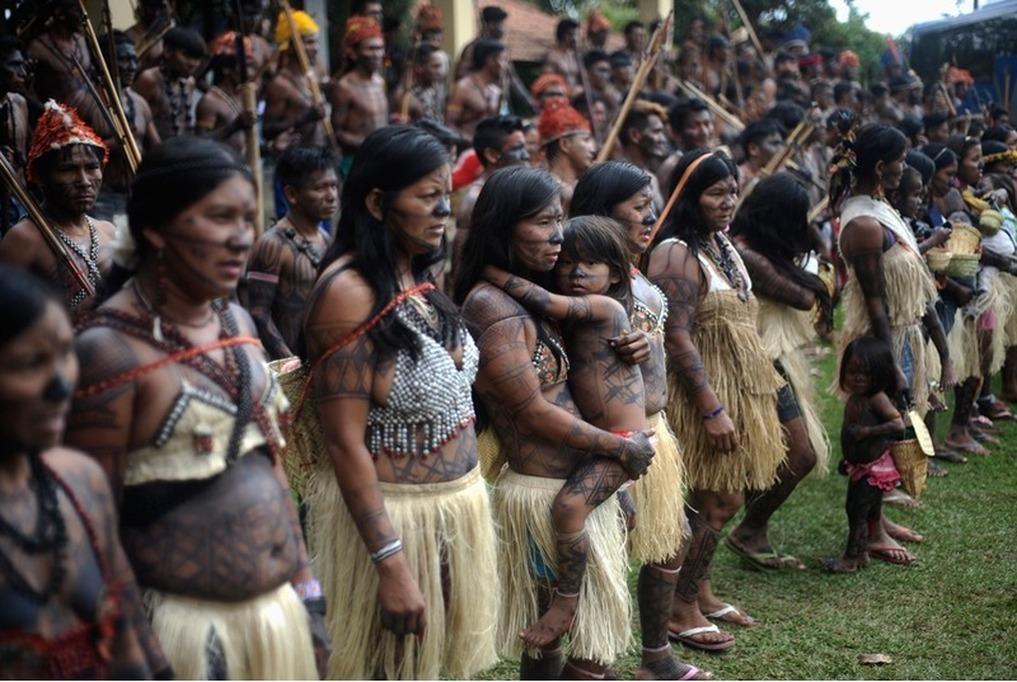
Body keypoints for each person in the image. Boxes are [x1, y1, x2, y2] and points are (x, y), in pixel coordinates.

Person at [64, 137, 327, 679]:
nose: (240, 239)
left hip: (276, 621)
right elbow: (92, 527)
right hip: (177, 637)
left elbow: (272, 469)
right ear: (157, 229)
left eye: (247, 219)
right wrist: (141, 656)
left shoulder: (237, 324)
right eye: (218, 218)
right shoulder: (108, 351)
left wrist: (310, 599)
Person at [298, 125, 499, 680]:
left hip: (455, 511)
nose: (443, 211)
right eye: (428, 196)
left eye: (446, 196)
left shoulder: (414, 269)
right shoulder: (348, 293)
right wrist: (391, 564)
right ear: (377, 202)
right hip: (396, 522)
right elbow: (342, 441)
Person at [454, 166, 655, 680]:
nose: (558, 236)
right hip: (548, 495)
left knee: (591, 651)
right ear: (504, 227)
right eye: (544, 223)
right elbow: (532, 411)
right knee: (563, 646)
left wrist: (637, 341)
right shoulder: (491, 306)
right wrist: (617, 448)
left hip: (585, 475)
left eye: (558, 220)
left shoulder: (546, 297)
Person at [570, 161, 711, 680]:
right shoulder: (582, 283)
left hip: (655, 431)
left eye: (650, 204)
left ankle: (656, 657)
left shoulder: (640, 279)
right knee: (602, 563)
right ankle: (590, 664)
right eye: (637, 208)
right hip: (609, 437)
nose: (650, 216)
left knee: (668, 539)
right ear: (605, 214)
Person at [647, 149, 786, 653]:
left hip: (735, 383)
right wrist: (710, 407)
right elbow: (677, 335)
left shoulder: (718, 242)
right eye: (715, 193)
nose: (728, 202)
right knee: (718, 499)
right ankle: (678, 610)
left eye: (733, 191)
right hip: (701, 390)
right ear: (689, 196)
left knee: (714, 496)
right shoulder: (677, 253)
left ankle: (700, 591)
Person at [0, 264, 166, 679]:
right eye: (28, 363)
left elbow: (126, 646)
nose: (61, 386)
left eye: (65, 355)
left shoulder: (79, 481)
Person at [831, 123, 955, 513]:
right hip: (882, 342)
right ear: (882, 166)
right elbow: (875, 301)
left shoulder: (879, 208)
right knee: (874, 441)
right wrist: (890, 364)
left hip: (899, 337)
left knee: (890, 433)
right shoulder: (864, 224)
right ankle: (867, 535)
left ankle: (877, 525)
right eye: (901, 161)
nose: (905, 167)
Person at [725, 173, 834, 571]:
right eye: (798, 217)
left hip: (772, 359)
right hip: (762, 363)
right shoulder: (749, 256)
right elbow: (805, 297)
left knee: (779, 454)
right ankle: (749, 529)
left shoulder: (762, 248)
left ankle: (753, 530)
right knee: (800, 454)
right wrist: (815, 249)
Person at [0, 100, 116, 321]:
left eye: (91, 168)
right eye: (68, 170)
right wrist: (73, 316)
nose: (84, 181)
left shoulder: (108, 231)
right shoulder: (24, 239)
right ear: (40, 178)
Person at [823, 336, 912, 572]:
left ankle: (852, 558)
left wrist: (867, 431)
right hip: (861, 467)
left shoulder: (877, 398)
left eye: (865, 373)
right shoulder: (856, 398)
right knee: (863, 510)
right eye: (852, 372)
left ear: (880, 374)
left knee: (857, 511)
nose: (858, 378)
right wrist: (849, 460)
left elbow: (897, 425)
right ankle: (861, 553)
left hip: (873, 469)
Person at [241, 145, 338, 360]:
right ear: (292, 194)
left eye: (333, 186)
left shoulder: (325, 239)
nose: (331, 196)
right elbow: (258, 312)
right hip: (293, 366)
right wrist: (290, 364)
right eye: (320, 188)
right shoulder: (273, 244)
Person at [89, 31, 161, 225]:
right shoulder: (86, 102)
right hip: (101, 195)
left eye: (133, 60)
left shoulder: (140, 103)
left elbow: (156, 149)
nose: (131, 67)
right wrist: (114, 144)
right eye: (123, 60)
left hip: (135, 191)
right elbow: (75, 154)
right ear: (105, 62)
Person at [263, 9, 330, 151]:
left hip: (322, 152)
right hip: (297, 157)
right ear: (291, 47)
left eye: (316, 42)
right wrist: (305, 118)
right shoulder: (280, 84)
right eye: (309, 42)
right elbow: (267, 131)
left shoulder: (318, 70)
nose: (316, 48)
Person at [332, 16, 389, 170]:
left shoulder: (380, 82)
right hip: (356, 161)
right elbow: (337, 133)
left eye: (380, 48)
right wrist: (368, 144)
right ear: (354, 53)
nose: (377, 54)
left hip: (382, 158)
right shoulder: (345, 87)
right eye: (371, 49)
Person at [132, 26, 205, 140]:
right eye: (187, 56)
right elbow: (137, 120)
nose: (193, 64)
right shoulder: (150, 79)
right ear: (167, 51)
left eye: (197, 59)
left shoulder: (189, 82)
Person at [195, 31, 257, 155]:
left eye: (251, 67)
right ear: (226, 69)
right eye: (245, 68)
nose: (250, 73)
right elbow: (199, 144)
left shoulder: (243, 96)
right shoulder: (211, 101)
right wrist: (233, 127)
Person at [538, 97, 595, 213]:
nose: (593, 149)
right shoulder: (545, 190)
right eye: (586, 140)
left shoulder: (580, 187)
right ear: (565, 144)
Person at [446, 39, 506, 145]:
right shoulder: (463, 88)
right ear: (490, 60)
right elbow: (449, 124)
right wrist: (471, 141)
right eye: (503, 59)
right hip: (466, 152)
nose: (505, 65)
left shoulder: (496, 91)